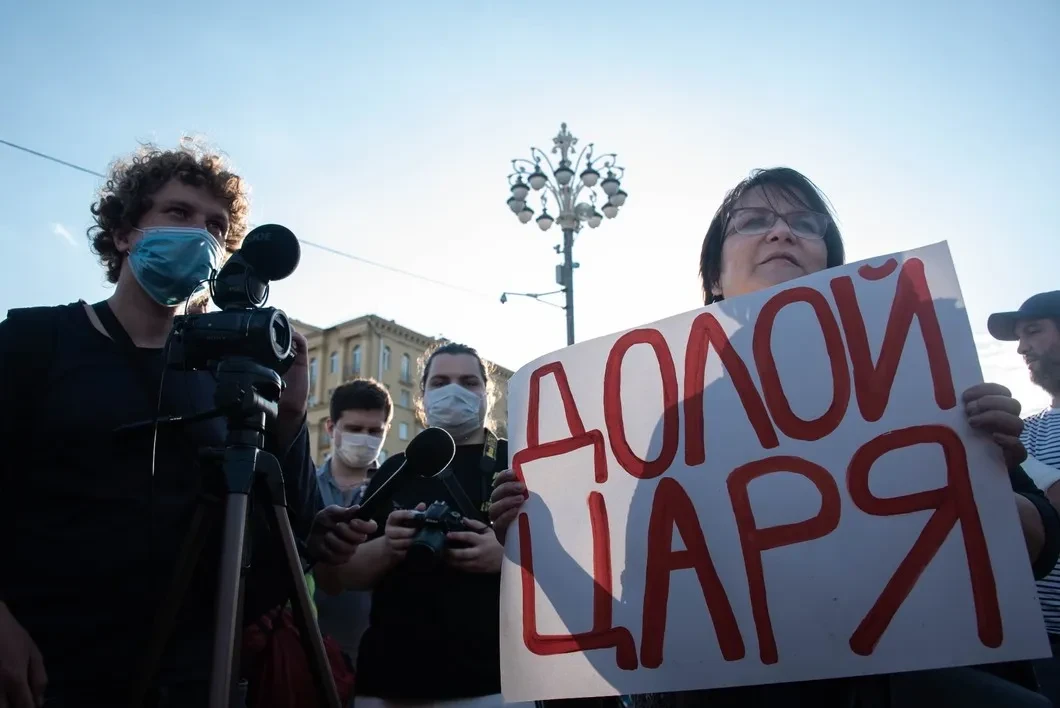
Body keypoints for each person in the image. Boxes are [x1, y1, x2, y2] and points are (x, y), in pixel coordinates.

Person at [490, 167, 1060, 707]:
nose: (783, 231)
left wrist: (981, 473)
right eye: (754, 220)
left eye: (806, 223)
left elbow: (1037, 543)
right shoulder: (674, 426)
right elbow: (640, 630)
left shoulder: (921, 380)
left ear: (832, 263)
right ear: (714, 278)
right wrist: (541, 545)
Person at [0, 140, 375, 708]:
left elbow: (290, 536)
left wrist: (290, 418)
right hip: (47, 668)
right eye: (178, 212)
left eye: (216, 227)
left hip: (193, 672)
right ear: (124, 234)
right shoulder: (33, 342)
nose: (200, 234)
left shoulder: (225, 374)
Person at [326, 342, 516, 708]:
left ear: (488, 395)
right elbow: (343, 575)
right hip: (390, 683)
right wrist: (389, 546)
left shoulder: (516, 459)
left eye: (469, 382)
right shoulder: (397, 467)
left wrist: (507, 557)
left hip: (496, 682)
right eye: (440, 382)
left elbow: (570, 561)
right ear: (422, 396)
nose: (454, 391)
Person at [989, 290, 1060, 704]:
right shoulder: (1025, 428)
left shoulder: (1018, 440)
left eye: (1033, 331)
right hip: (1029, 639)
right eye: (1019, 337)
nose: (1021, 348)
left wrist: (1022, 464)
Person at [313, 379, 392, 673]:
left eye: (374, 432)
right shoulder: (303, 488)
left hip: (373, 654)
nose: (364, 439)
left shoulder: (395, 493)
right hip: (304, 645)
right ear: (331, 428)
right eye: (354, 429)